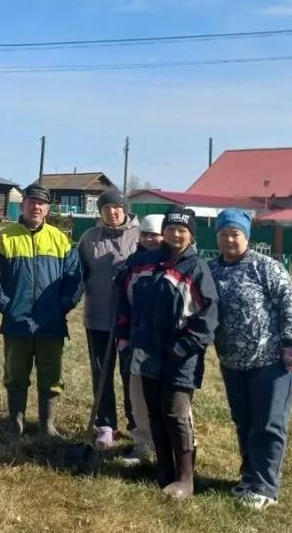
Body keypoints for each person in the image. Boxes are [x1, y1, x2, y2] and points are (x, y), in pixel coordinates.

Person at [115, 206, 218, 500]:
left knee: (175, 413)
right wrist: (125, 337)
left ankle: (185, 477)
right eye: (171, 228)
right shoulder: (144, 263)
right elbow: (126, 301)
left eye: (182, 230)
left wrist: (182, 347)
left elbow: (207, 317)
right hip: (145, 352)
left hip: (179, 357)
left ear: (191, 234)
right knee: (155, 413)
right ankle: (163, 469)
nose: (175, 234)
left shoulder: (196, 268)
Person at [209, 208, 292, 510]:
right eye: (223, 234)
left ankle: (265, 486)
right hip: (233, 361)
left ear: (246, 236)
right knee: (244, 422)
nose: (229, 239)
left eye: (235, 234)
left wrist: (290, 343)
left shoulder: (266, 267)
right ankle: (249, 476)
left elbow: (289, 303)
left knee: (268, 423)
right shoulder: (211, 269)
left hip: (269, 360)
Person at [0, 184, 83, 436]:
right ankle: (15, 421)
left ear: (47, 208)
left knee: (51, 375)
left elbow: (75, 279)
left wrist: (61, 306)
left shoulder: (60, 239)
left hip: (50, 323)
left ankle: (47, 424)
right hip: (16, 322)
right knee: (15, 374)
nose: (36, 206)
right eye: (31, 201)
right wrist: (6, 306)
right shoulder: (4, 238)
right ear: (22, 206)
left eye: (41, 203)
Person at [77, 188, 140, 448]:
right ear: (100, 212)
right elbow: (78, 272)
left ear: (124, 209)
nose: (112, 212)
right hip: (98, 317)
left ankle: (136, 423)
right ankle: (105, 425)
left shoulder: (140, 237)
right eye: (106, 209)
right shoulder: (90, 238)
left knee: (131, 373)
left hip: (132, 321)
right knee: (101, 372)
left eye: (116, 207)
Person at [115, 214, 164, 465]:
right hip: (136, 338)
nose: (149, 239)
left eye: (154, 235)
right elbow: (124, 303)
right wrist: (123, 337)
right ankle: (143, 445)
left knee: (169, 398)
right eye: (145, 234)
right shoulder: (133, 263)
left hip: (165, 342)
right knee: (137, 394)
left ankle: (172, 448)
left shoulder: (174, 261)